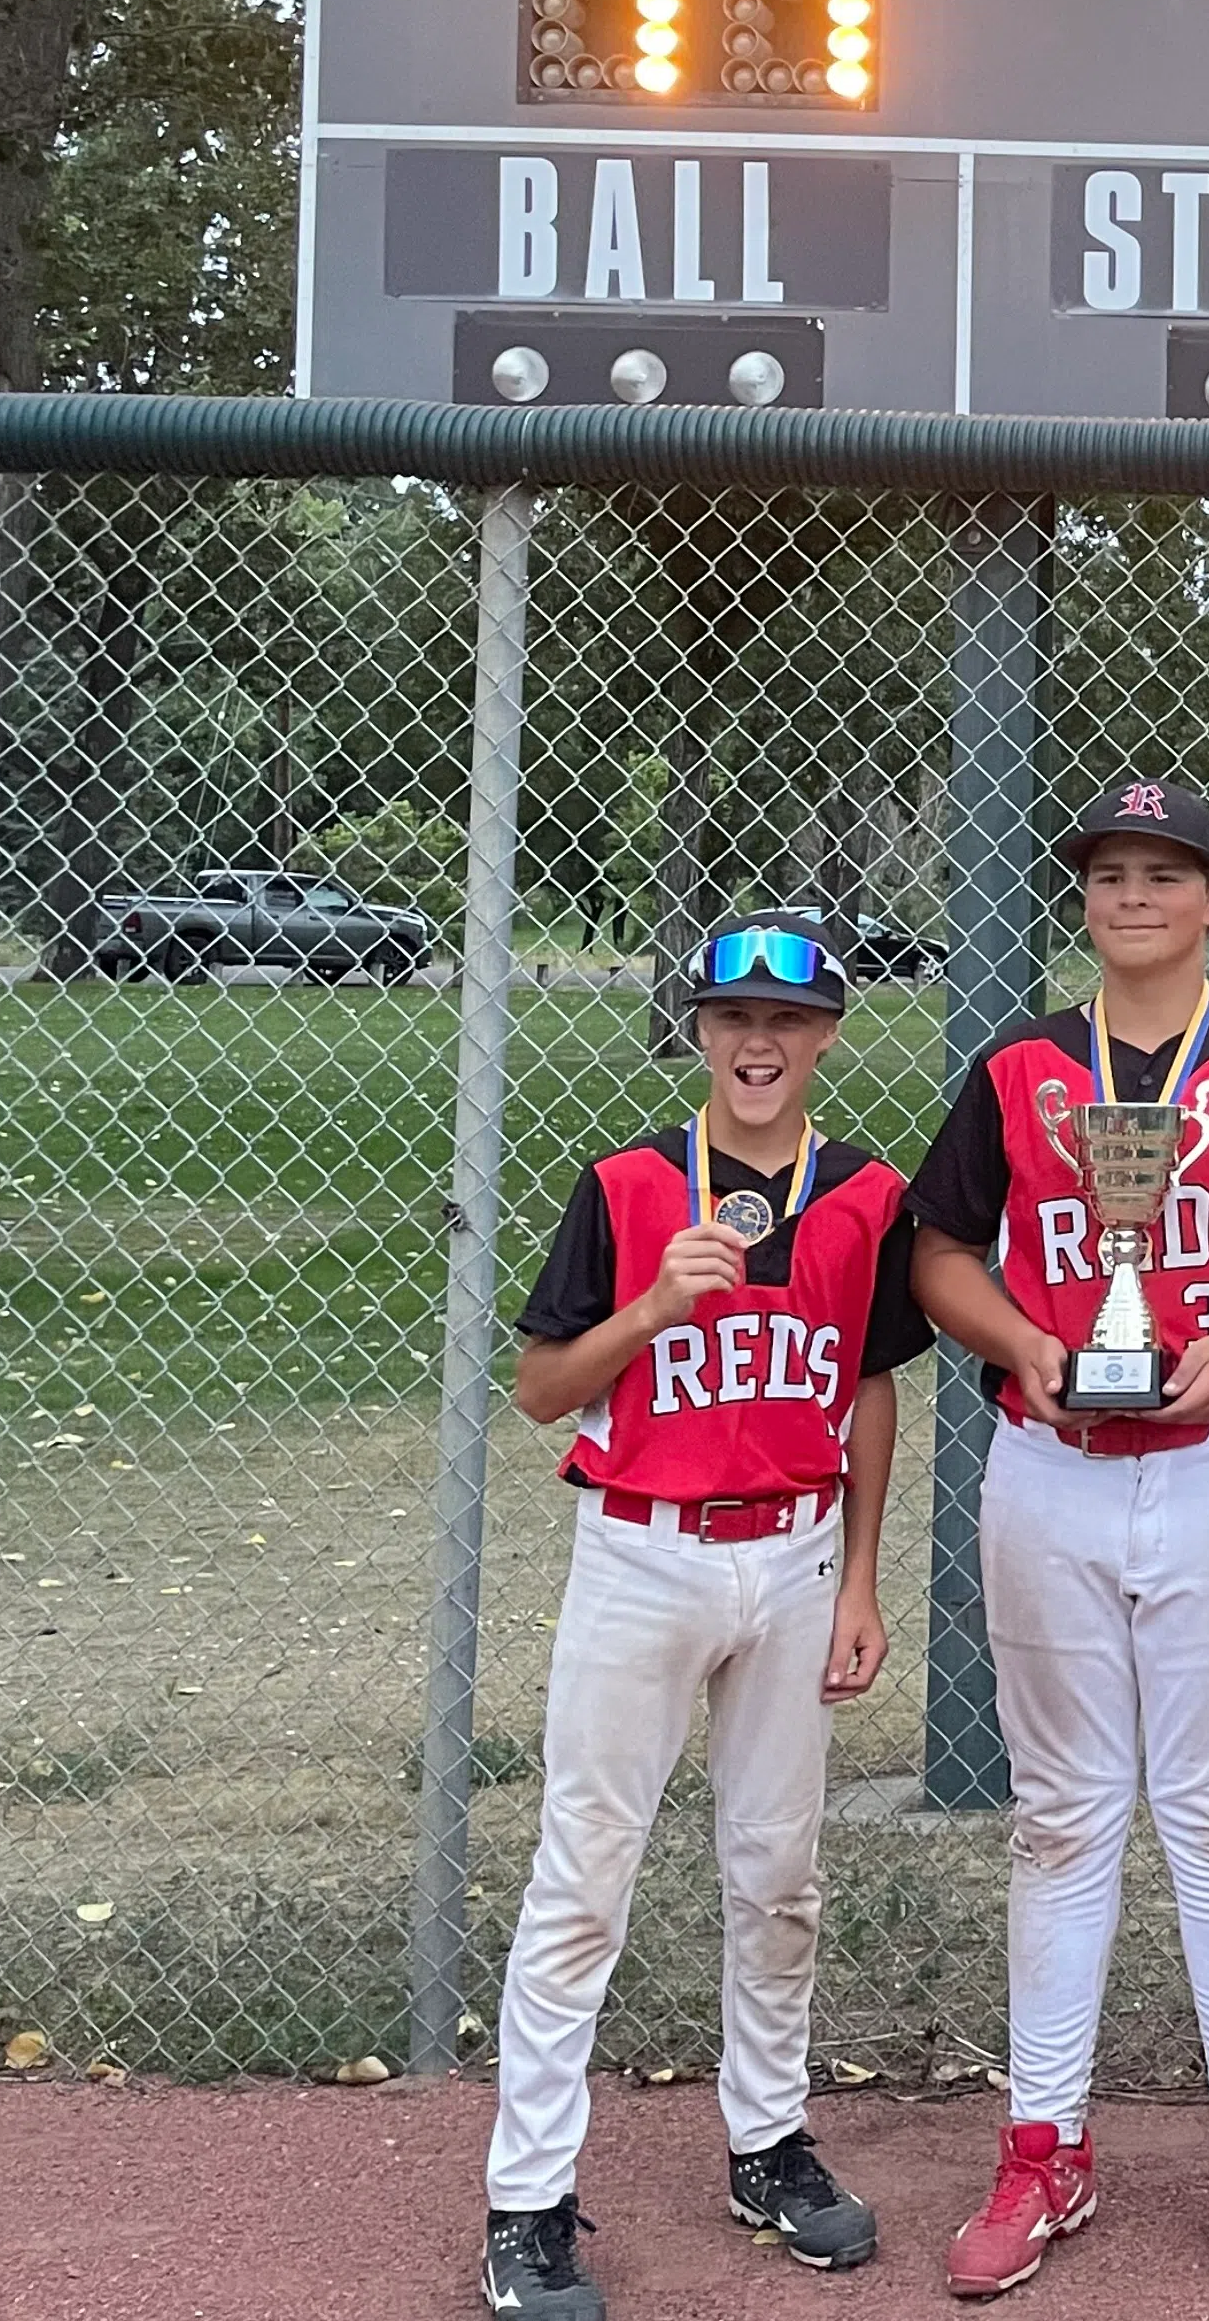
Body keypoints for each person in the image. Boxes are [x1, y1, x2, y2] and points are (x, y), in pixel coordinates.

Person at [907, 775, 1209, 2303]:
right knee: (1060, 1815)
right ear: (1086, 899)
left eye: (1164, 873)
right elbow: (939, 1252)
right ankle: (1046, 2145)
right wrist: (1024, 1345)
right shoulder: (1023, 1065)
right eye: (1110, 872)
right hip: (1049, 1466)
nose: (1133, 895)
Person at [477, 910, 930, 2321]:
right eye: (733, 1017)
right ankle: (527, 2202)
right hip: (644, 1555)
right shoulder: (625, 1189)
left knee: (779, 1874)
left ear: (825, 1038)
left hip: (794, 1561)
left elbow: (866, 1385)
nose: (757, 1042)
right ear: (700, 1030)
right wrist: (649, 1309)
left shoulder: (864, 1194)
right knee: (583, 1882)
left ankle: (767, 2140)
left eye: (786, 1022)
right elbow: (543, 1390)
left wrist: (859, 1577)